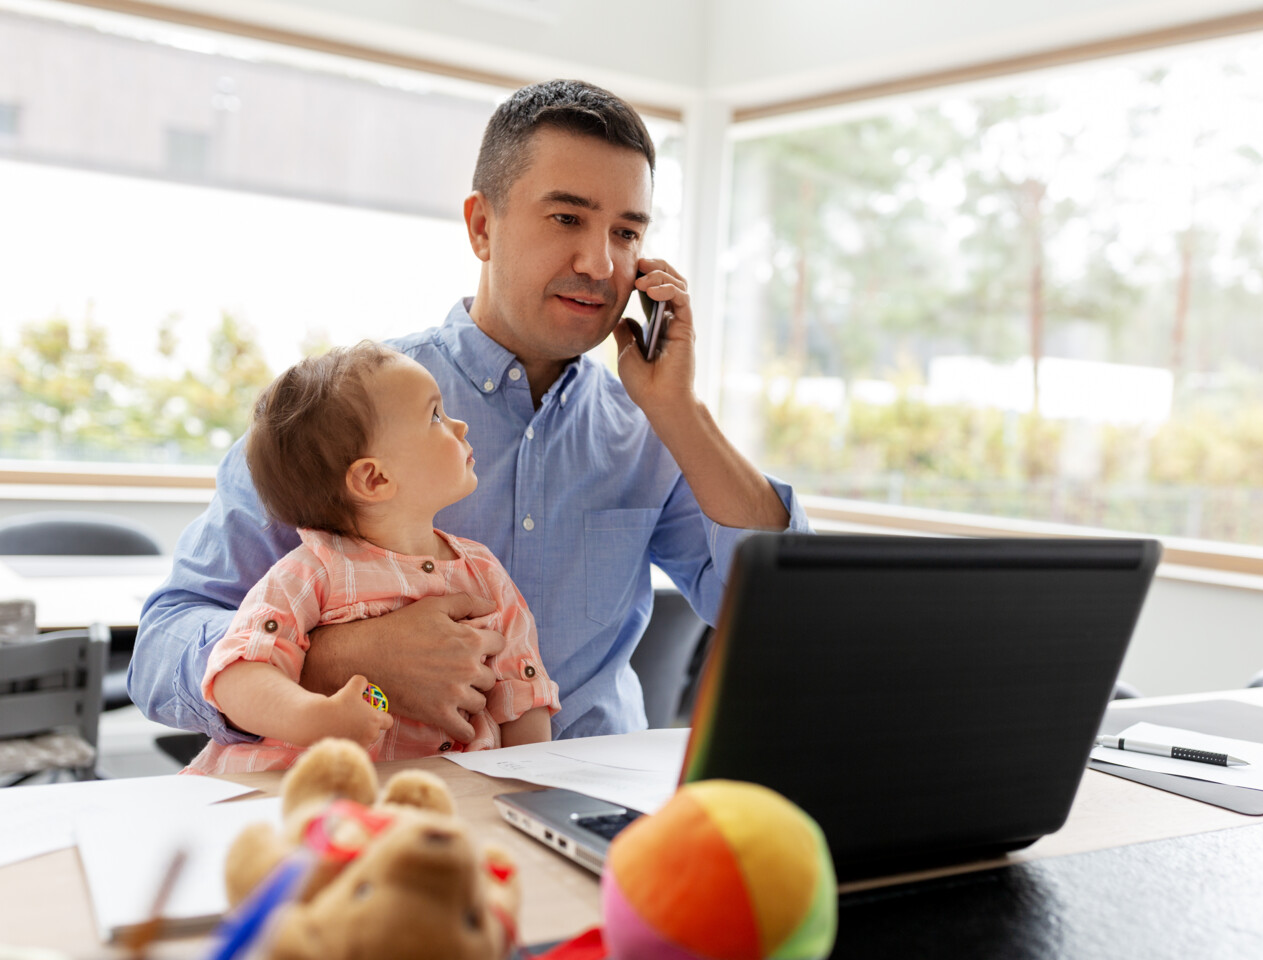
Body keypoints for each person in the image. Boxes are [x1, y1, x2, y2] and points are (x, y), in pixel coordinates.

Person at [131, 78, 810, 748]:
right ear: (483, 227)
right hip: (386, 799)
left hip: (595, 795)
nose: (601, 263)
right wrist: (348, 657)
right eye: (567, 218)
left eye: (627, 232)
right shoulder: (345, 408)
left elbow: (787, 617)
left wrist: (680, 410)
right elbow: (161, 648)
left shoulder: (652, 428)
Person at [183, 341, 558, 775]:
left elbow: (522, 693)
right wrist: (314, 717)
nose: (459, 425)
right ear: (374, 478)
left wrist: (531, 781)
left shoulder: (484, 572)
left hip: (443, 795)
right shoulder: (309, 573)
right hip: (300, 790)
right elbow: (237, 673)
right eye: (435, 416)